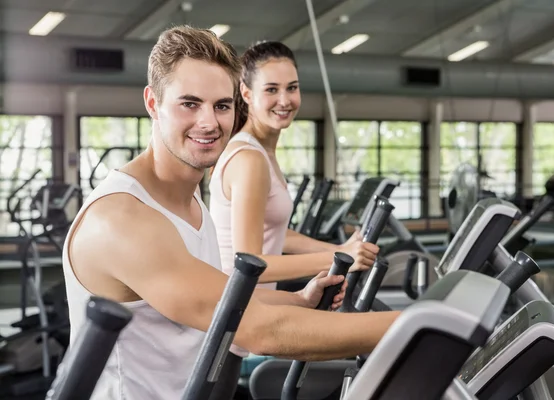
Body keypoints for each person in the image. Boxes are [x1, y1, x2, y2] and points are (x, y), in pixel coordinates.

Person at [61, 26, 399, 400]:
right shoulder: (122, 219)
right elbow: (259, 331)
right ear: (153, 104)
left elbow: (220, 296)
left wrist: (298, 299)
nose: (209, 122)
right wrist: (420, 325)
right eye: (189, 103)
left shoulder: (191, 203)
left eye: (221, 106)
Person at [209, 41, 379, 290]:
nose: (284, 100)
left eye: (292, 88)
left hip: (255, 302)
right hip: (240, 311)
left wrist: (339, 248)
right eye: (271, 90)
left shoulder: (261, 152)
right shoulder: (249, 159)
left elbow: (276, 235)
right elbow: (250, 263)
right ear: (246, 93)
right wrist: (340, 259)